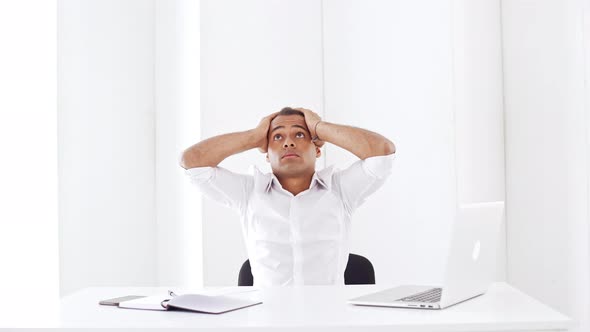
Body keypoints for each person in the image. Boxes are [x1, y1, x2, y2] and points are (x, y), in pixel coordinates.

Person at [179, 107, 396, 287]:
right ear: (266, 153)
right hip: (268, 321)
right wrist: (254, 136)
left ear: (318, 149)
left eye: (300, 134)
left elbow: (382, 152)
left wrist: (320, 128)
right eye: (278, 136)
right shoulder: (248, 191)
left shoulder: (341, 189)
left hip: (329, 320)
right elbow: (191, 160)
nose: (288, 143)